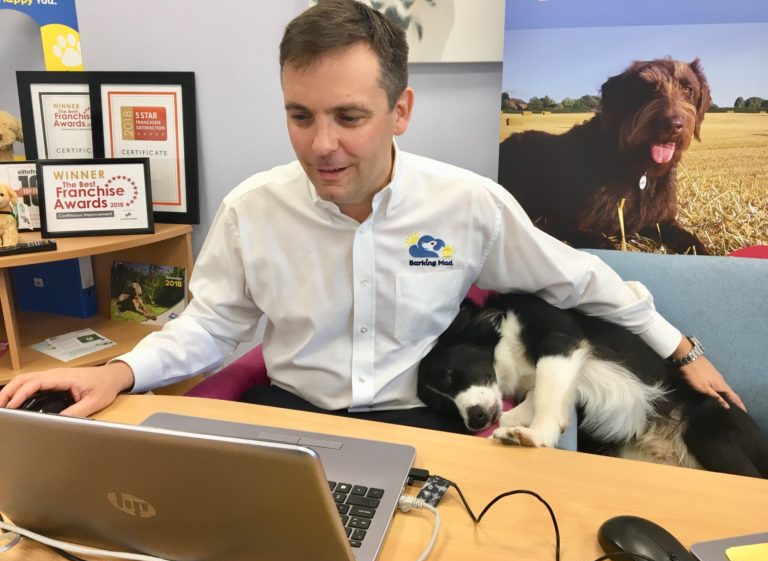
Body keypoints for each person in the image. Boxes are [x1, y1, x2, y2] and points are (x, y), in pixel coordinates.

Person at [0, 0, 744, 428]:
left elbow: (580, 279)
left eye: (348, 116)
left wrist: (682, 350)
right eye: (300, 114)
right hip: (286, 415)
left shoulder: (467, 204)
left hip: (421, 421)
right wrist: (121, 372)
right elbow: (212, 325)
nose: (320, 146)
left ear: (401, 111)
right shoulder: (251, 209)